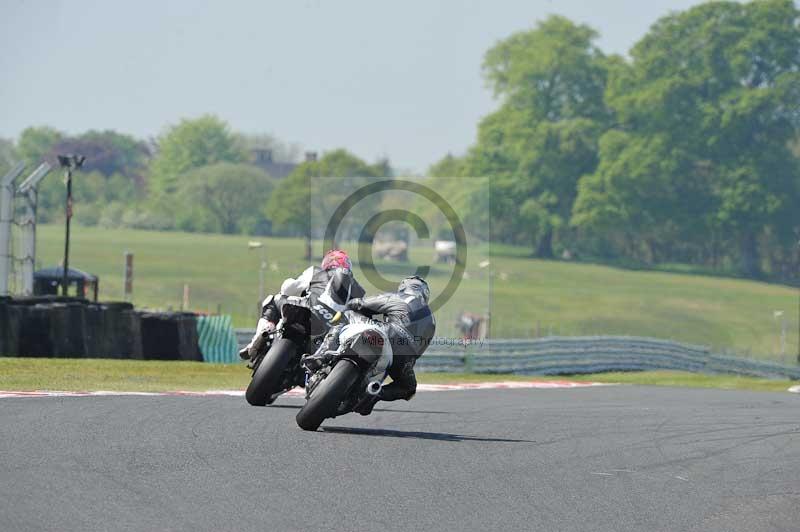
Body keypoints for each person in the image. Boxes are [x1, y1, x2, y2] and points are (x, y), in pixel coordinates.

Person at [239, 249, 365, 361]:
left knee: (273, 299)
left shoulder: (316, 271)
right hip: (333, 330)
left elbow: (288, 288)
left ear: (326, 263)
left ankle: (257, 340)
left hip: (310, 309)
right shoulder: (359, 291)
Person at [345, 275, 436, 415]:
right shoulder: (432, 320)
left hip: (385, 333)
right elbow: (418, 352)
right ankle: (375, 394)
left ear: (404, 287)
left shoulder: (399, 297)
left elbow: (362, 304)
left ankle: (324, 353)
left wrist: (352, 303)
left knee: (349, 313)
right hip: (404, 356)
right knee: (409, 388)